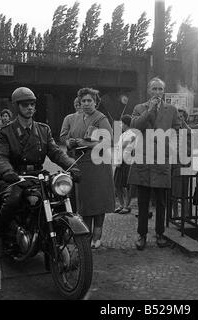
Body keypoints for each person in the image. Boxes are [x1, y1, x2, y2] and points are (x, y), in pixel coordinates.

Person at [0, 87, 75, 258]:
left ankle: (54, 234)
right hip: (13, 177)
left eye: (32, 104)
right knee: (13, 200)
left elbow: (55, 152)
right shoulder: (5, 131)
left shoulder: (43, 130)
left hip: (37, 175)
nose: (30, 107)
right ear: (17, 107)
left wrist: (72, 166)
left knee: (60, 194)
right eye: (25, 105)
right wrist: (8, 172)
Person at [128, 77, 181, 250]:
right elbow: (135, 125)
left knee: (161, 201)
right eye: (154, 89)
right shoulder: (139, 108)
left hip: (162, 159)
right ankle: (141, 235)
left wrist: (169, 149)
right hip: (143, 159)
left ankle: (160, 233)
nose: (157, 92)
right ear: (149, 90)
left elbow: (176, 130)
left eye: (160, 89)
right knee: (143, 201)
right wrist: (149, 110)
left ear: (163, 91)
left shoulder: (171, 109)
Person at [60, 87, 115, 249]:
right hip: (81, 164)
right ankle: (85, 234)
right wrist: (69, 142)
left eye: (89, 100)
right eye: (83, 101)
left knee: (98, 201)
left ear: (96, 102)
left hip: (98, 165)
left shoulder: (100, 118)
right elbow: (66, 137)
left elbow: (108, 141)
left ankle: (97, 236)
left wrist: (85, 143)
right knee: (85, 202)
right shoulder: (76, 118)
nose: (86, 103)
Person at [172, 107, 192, 219]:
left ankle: (186, 216)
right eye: (177, 117)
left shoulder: (187, 131)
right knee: (173, 194)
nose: (179, 119)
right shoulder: (173, 130)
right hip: (174, 165)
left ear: (185, 118)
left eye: (181, 117)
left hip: (184, 165)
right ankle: (175, 215)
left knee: (185, 193)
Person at [113, 114, 136, 215]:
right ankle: (121, 204)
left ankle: (127, 205)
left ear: (126, 124)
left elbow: (123, 146)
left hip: (127, 162)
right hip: (120, 162)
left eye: (122, 123)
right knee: (117, 184)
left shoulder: (132, 133)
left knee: (127, 185)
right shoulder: (123, 134)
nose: (121, 125)